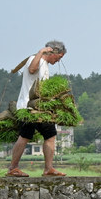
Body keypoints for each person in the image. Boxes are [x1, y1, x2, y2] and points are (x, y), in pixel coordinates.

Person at [7, 40, 68, 178]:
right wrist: (41, 52)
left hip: (40, 109)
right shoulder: (35, 59)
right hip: (28, 107)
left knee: (50, 135)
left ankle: (48, 169)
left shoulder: (45, 65)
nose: (59, 61)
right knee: (25, 136)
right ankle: (13, 168)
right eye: (59, 57)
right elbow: (31, 69)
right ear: (53, 52)